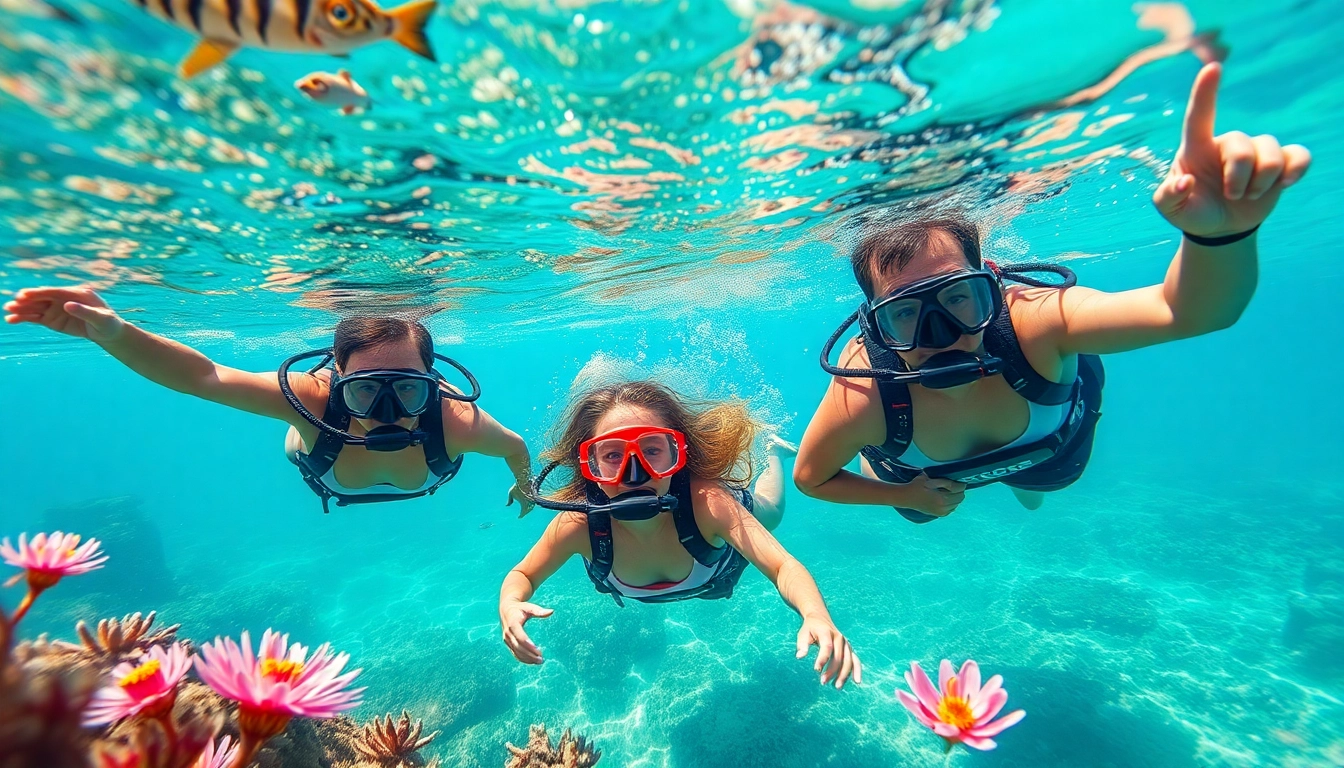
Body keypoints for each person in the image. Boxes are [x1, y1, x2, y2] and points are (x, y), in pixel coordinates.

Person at [794, 62, 1311, 523]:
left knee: (1040, 485)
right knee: (916, 508)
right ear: (874, 322)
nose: (941, 334)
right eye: (903, 314)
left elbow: (1189, 311)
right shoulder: (863, 393)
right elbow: (809, 478)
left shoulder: (1033, 321)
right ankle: (920, 488)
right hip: (924, 482)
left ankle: (1022, 491)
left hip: (1045, 454)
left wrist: (1219, 237)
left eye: (958, 297)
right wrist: (903, 497)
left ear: (992, 287)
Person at [2, 286, 533, 514]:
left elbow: (517, 449)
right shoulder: (312, 400)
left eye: (409, 388)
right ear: (336, 380)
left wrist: (525, 489)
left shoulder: (455, 421)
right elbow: (206, 376)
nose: (389, 412)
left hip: (345, 464)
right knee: (297, 428)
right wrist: (115, 333)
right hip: (314, 450)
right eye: (365, 389)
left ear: (432, 379)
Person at [499, 381, 860, 689]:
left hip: (719, 540)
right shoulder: (577, 527)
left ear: (678, 453)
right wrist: (510, 605)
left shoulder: (709, 505)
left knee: (772, 512)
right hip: (705, 568)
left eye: (652, 450)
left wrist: (816, 615)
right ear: (589, 465)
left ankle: (774, 455)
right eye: (612, 455)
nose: (634, 473)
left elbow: (783, 567)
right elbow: (523, 575)